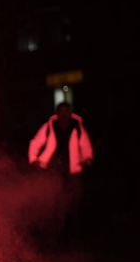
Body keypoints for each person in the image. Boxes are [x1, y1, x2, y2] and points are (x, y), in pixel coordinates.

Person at [28, 102, 94, 247]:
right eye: (61, 111)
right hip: (53, 169)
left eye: (67, 111)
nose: (64, 114)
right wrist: (33, 158)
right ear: (57, 113)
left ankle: (68, 237)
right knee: (54, 203)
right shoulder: (49, 126)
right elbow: (36, 142)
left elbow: (85, 143)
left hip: (72, 169)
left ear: (70, 113)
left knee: (71, 203)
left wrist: (87, 158)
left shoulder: (77, 126)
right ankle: (53, 236)